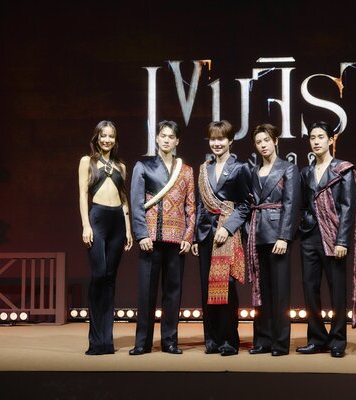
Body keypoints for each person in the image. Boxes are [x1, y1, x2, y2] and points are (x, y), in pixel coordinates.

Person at [296, 121, 356, 358]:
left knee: (336, 291)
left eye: (321, 137)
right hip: (310, 237)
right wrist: (305, 224)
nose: (316, 141)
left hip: (334, 237)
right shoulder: (306, 172)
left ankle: (337, 341)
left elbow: (347, 207)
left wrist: (342, 241)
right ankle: (316, 339)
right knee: (310, 289)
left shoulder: (343, 170)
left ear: (330, 140)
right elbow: (304, 205)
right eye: (312, 137)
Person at [129, 120, 196, 355]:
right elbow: (136, 203)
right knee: (146, 293)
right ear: (157, 138)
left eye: (171, 137)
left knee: (173, 293)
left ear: (177, 141)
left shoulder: (186, 170)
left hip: (177, 241)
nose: (166, 140)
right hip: (151, 238)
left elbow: (191, 207)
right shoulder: (143, 166)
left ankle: (170, 341)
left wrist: (189, 235)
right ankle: (142, 342)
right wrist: (141, 234)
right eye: (163, 136)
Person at [191, 120, 250, 356]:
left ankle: (229, 340)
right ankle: (212, 339)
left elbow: (245, 205)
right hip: (206, 234)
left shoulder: (240, 168)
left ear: (230, 141)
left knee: (227, 288)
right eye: (213, 139)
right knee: (207, 288)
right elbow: (200, 205)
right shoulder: (204, 168)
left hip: (227, 235)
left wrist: (228, 227)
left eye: (221, 139)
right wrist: (196, 237)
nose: (217, 143)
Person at [78, 120, 133, 355]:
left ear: (115, 139)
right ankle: (95, 339)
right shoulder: (87, 161)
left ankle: (106, 342)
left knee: (110, 279)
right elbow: (82, 194)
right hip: (98, 218)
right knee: (99, 275)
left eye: (111, 136)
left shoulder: (121, 166)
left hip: (118, 221)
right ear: (97, 138)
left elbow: (124, 199)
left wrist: (128, 229)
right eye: (103, 136)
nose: (107, 140)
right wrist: (86, 225)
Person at [246, 123, 301, 357]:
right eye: (259, 142)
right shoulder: (254, 171)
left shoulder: (288, 168)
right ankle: (262, 340)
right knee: (262, 290)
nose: (263, 145)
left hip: (277, 235)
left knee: (280, 292)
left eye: (266, 140)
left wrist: (284, 237)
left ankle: (280, 343)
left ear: (276, 141)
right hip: (257, 234)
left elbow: (291, 204)